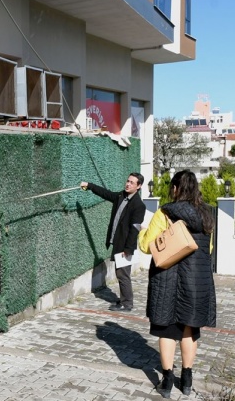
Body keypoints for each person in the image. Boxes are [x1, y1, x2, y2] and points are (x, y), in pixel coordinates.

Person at [138, 170, 216, 398]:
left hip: (168, 281)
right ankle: (188, 379)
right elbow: (207, 250)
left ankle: (168, 381)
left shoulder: (164, 213)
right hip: (196, 282)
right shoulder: (207, 215)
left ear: (175, 189)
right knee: (189, 330)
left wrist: (141, 234)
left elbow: (147, 246)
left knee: (167, 330)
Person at [80, 173, 146, 312]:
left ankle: (127, 304)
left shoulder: (138, 205)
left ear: (138, 186)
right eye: (127, 181)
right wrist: (90, 186)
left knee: (123, 275)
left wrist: (128, 249)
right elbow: (106, 193)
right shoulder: (121, 196)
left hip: (125, 246)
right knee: (120, 273)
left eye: (132, 183)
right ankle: (124, 300)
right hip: (118, 243)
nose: (128, 184)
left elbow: (135, 229)